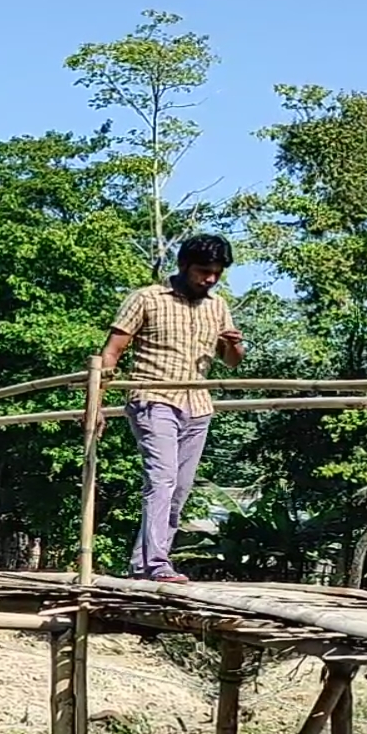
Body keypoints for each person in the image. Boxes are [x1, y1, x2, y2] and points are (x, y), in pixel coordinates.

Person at [96, 233, 244, 583]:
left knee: (179, 488)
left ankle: (142, 565)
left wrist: (234, 346)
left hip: (198, 405)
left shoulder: (217, 306)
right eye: (203, 271)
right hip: (153, 398)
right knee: (161, 480)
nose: (209, 279)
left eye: (216, 273)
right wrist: (97, 403)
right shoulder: (146, 299)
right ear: (183, 265)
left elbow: (232, 362)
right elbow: (112, 351)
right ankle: (156, 564)